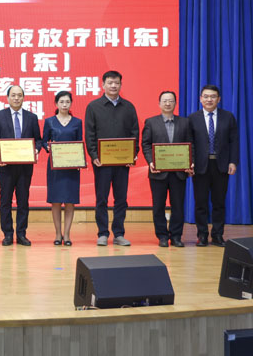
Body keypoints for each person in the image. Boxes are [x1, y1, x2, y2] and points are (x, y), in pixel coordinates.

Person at [84, 70, 139, 246]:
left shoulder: (128, 107)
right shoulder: (93, 107)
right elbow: (90, 134)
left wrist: (133, 153)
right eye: (110, 83)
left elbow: (134, 132)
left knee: (121, 198)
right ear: (103, 85)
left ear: (121, 85)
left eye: (116, 83)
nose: (113, 86)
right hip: (102, 162)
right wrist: (94, 155)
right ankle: (102, 233)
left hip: (122, 162)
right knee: (102, 198)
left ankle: (119, 234)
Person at [0, 85, 42, 246]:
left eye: (19, 95)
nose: (16, 98)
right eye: (13, 95)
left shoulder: (31, 117)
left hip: (25, 167)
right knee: (5, 201)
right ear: (8, 98)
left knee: (23, 201)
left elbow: (38, 140)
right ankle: (7, 234)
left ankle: (21, 234)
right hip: (5, 166)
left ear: (23, 97)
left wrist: (36, 150)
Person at [189, 84, 239, 247]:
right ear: (200, 99)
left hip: (221, 165)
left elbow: (234, 141)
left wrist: (233, 161)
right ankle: (202, 235)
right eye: (206, 96)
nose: (209, 99)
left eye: (212, 96)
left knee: (219, 203)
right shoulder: (193, 118)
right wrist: (190, 162)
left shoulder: (228, 117)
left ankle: (217, 235)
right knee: (200, 203)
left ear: (219, 99)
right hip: (200, 166)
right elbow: (190, 143)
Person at [141, 91, 193, 248]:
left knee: (178, 206)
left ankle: (176, 236)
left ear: (175, 103)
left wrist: (190, 162)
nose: (168, 103)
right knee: (158, 206)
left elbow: (191, 144)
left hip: (179, 172)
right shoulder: (151, 122)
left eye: (171, 101)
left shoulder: (185, 122)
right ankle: (162, 236)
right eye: (165, 101)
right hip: (158, 172)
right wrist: (151, 162)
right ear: (159, 104)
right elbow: (146, 144)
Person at [41, 91, 82, 246]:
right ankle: (58, 234)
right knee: (56, 201)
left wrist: (79, 160)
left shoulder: (77, 122)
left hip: (71, 166)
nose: (65, 105)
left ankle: (67, 235)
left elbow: (80, 143)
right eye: (61, 102)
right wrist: (48, 147)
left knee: (70, 201)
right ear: (56, 103)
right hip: (55, 167)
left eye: (67, 102)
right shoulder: (49, 121)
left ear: (71, 104)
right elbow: (43, 141)